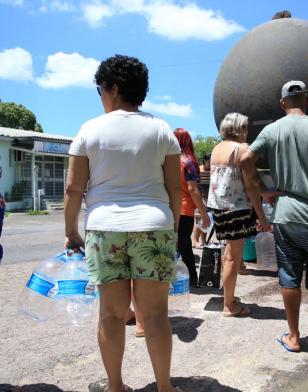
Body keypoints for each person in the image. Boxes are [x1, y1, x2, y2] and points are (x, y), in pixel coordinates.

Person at [64, 55, 183, 392]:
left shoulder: (89, 130)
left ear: (113, 89)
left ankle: (115, 386)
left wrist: (71, 231)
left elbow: (74, 188)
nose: (101, 96)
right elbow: (175, 187)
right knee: (156, 316)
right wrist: (170, 230)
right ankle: (164, 387)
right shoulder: (161, 129)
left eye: (100, 89)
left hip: (104, 229)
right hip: (154, 224)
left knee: (112, 315)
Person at [241, 81, 308, 352]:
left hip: (285, 216)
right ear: (307, 101)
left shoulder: (271, 130)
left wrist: (263, 192)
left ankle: (295, 337)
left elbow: (245, 160)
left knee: (289, 276)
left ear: (283, 103)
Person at [207, 112, 270, 317]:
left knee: (229, 254)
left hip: (218, 208)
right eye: (245, 127)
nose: (247, 131)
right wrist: (262, 216)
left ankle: (229, 296)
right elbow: (251, 186)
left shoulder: (217, 148)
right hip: (237, 209)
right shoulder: (242, 149)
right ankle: (228, 305)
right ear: (239, 129)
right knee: (234, 257)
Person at [174, 128, 210, 287]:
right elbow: (193, 190)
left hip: (170, 208)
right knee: (182, 245)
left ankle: (192, 278)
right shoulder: (188, 162)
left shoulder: (167, 160)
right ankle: (185, 280)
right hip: (184, 210)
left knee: (184, 245)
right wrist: (204, 214)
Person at [192, 153, 211, 248]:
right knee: (200, 218)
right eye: (209, 162)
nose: (210, 164)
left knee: (207, 219)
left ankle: (203, 240)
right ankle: (195, 239)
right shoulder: (198, 169)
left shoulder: (213, 169)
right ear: (204, 161)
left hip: (210, 197)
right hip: (201, 197)